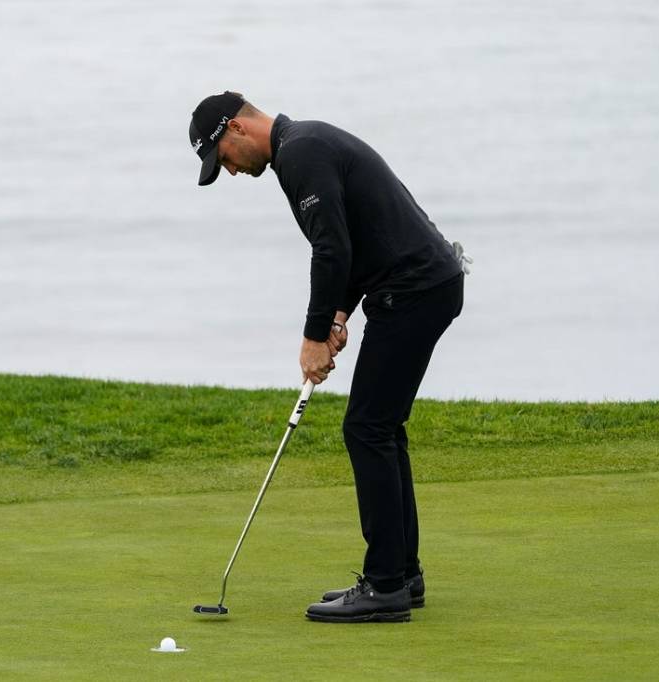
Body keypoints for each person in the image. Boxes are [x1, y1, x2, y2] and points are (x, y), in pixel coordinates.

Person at [188, 91, 468, 623]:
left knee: (366, 428)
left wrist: (316, 335)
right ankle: (402, 574)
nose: (227, 171)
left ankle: (385, 585)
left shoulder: (301, 154)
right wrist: (339, 314)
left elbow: (332, 250)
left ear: (238, 131)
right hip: (422, 285)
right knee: (381, 427)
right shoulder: (304, 145)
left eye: (221, 157)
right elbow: (354, 245)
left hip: (412, 290)